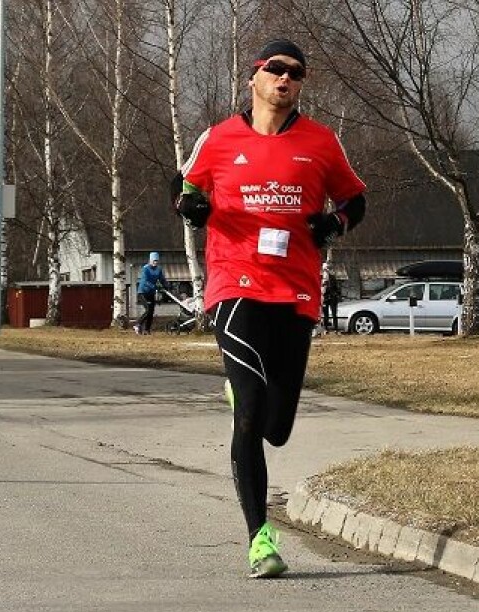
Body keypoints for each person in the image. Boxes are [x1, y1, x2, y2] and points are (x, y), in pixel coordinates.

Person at [173, 39, 366, 577]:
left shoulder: (321, 142)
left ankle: (244, 389)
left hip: (296, 290)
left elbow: (354, 198)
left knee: (277, 427)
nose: (286, 79)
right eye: (276, 70)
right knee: (251, 414)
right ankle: (260, 538)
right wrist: (191, 205)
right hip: (235, 284)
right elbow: (184, 184)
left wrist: (336, 223)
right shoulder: (218, 137)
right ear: (255, 77)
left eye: (296, 74)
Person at [134, 252, 168, 335]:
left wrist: (166, 286)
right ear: (150, 260)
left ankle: (147, 329)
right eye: (154, 260)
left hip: (151, 293)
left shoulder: (158, 269)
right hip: (143, 292)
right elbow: (145, 281)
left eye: (156, 261)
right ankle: (138, 324)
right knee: (148, 309)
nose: (155, 262)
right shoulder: (145, 269)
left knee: (151, 311)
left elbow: (162, 279)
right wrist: (155, 287)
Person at [321, 264, 342, 332]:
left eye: (327, 269)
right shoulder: (320, 278)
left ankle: (336, 329)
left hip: (332, 298)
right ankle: (326, 328)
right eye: (325, 269)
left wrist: (337, 294)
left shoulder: (332, 278)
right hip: (325, 297)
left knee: (334, 314)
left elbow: (337, 288)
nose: (326, 271)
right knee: (325, 314)